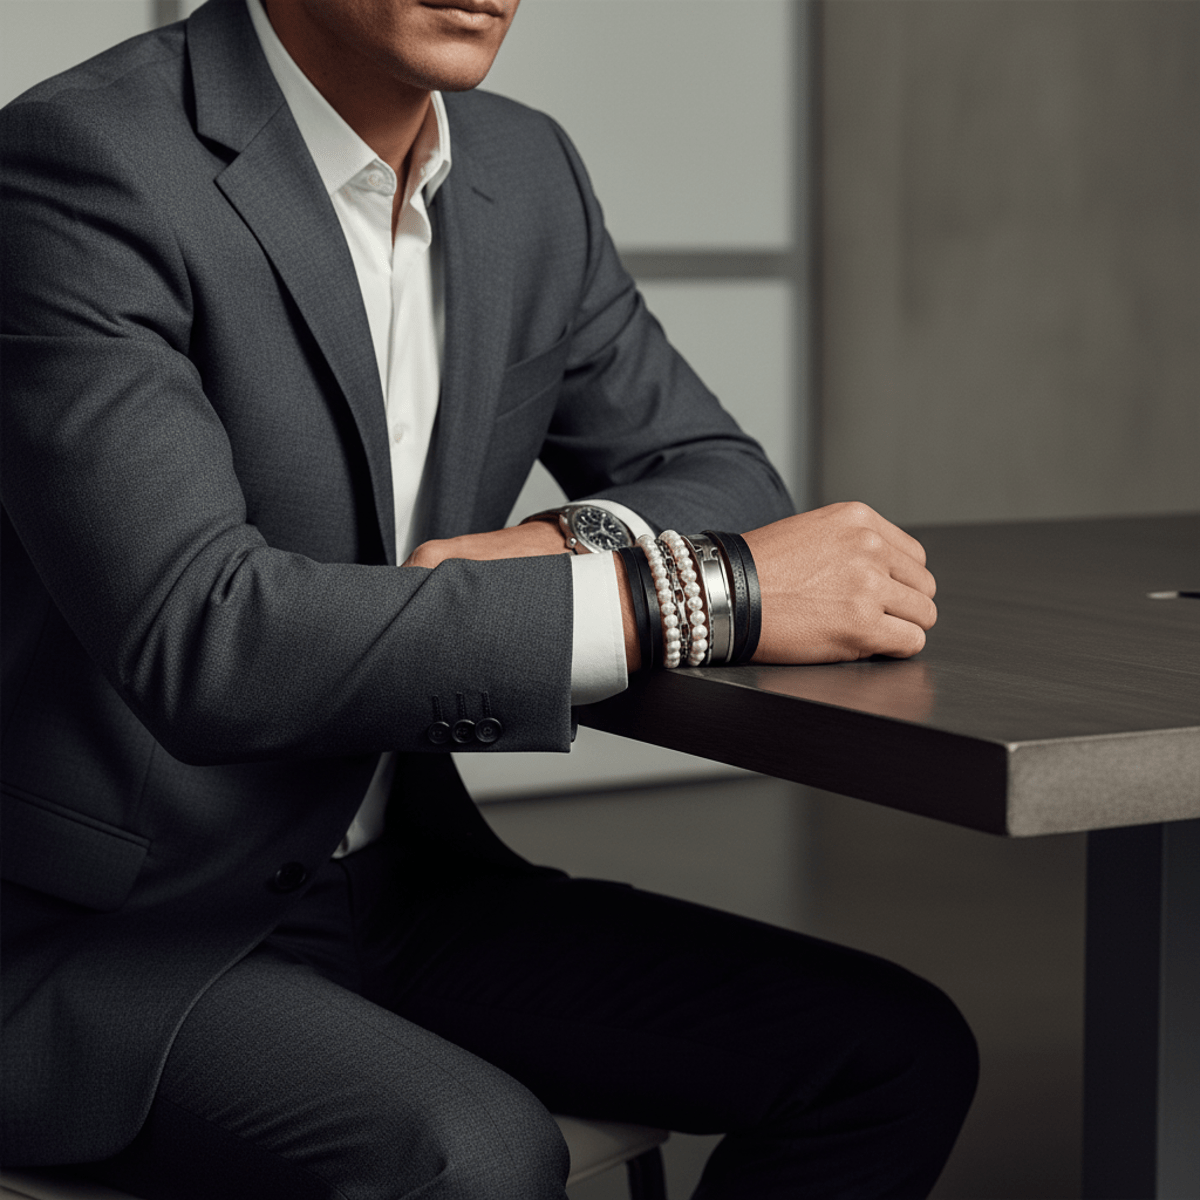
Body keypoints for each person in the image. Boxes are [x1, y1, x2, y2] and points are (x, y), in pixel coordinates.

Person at [0, 0, 977, 1196]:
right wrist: (691, 595)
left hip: (392, 880)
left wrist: (558, 544)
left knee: (891, 1056)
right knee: (476, 1154)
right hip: (106, 934)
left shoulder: (525, 168)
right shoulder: (83, 166)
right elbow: (211, 643)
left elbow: (722, 470)